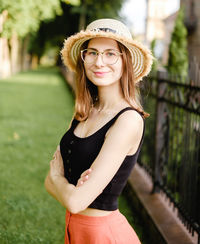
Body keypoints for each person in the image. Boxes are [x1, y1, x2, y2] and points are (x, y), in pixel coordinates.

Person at [44, 18, 153, 244]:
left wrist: (58, 177)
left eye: (110, 54)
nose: (99, 62)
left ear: (126, 62)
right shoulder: (84, 112)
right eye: (92, 52)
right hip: (74, 229)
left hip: (104, 235)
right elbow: (48, 184)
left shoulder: (128, 120)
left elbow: (75, 201)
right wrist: (63, 186)